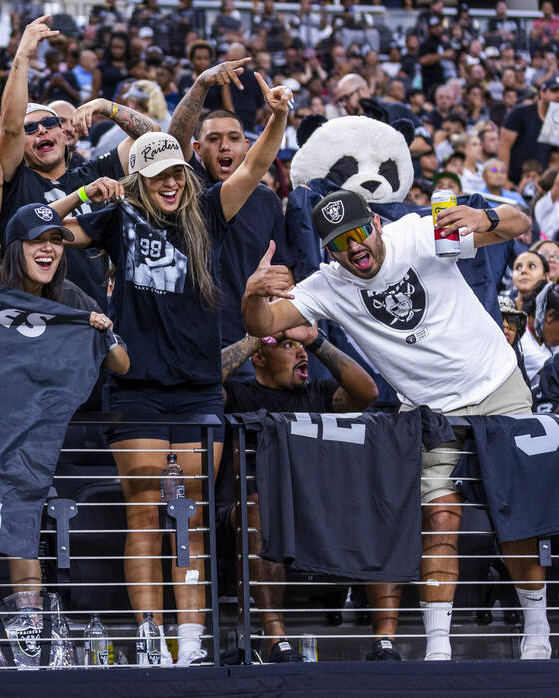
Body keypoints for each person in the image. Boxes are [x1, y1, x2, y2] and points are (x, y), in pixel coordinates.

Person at [241, 189, 551, 661]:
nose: (353, 247)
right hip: (429, 410)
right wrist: (252, 295)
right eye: (339, 243)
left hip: (496, 383)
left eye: (359, 232)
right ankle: (438, 647)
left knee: (517, 518)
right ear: (328, 251)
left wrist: (484, 215)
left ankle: (537, 628)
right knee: (439, 517)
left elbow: (517, 223)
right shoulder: (327, 284)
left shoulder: (418, 233)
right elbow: (265, 319)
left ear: (378, 224)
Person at [56, 76, 292, 666]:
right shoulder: (115, 219)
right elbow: (36, 228)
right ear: (140, 181)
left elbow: (255, 163)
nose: (169, 182)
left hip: (195, 389)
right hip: (135, 388)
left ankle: (188, 644)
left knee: (188, 514)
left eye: (176, 173)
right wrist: (85, 195)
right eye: (157, 175)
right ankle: (148, 639)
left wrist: (279, 119)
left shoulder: (209, 212)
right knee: (143, 513)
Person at [0, 200, 130, 666]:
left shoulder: (72, 296)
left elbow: (122, 364)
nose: (49, 250)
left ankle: (30, 640)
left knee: (22, 532)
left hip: (31, 437)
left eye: (56, 242)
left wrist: (103, 332)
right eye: (38, 241)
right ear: (16, 248)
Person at [219, 325, 378, 663]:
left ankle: (386, 642)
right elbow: (204, 383)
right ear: (260, 357)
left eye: (301, 347)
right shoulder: (239, 394)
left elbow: (367, 393)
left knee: (382, 503)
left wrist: (315, 340)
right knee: (259, 509)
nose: (301, 353)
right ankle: (277, 638)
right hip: (246, 514)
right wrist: (254, 337)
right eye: (289, 346)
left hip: (311, 512)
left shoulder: (320, 393)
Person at [0, 16, 161, 311]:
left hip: (93, 315)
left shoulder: (94, 172)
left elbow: (153, 138)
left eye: (49, 123)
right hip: (32, 313)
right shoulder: (13, 180)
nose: (42, 131)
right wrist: (22, 54)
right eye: (30, 129)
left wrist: (105, 106)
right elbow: (9, 127)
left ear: (65, 133)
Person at [168, 57, 287, 362]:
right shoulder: (186, 187)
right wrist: (202, 84)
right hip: (189, 340)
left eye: (234, 139)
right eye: (214, 139)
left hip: (250, 341)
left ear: (246, 146)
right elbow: (175, 137)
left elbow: (282, 272)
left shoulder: (267, 200)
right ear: (196, 149)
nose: (225, 147)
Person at [499, 78, 559, 185]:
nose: (558, 95)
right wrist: (505, 179)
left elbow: (554, 158)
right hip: (513, 180)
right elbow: (504, 147)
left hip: (540, 182)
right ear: (542, 92)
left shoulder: (556, 120)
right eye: (554, 91)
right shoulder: (521, 113)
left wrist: (548, 183)